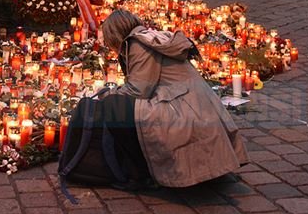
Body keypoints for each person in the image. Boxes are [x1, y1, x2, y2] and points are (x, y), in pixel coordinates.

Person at [100, 10, 248, 188]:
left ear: (114, 34)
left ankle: (141, 174)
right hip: (196, 105)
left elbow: (139, 90)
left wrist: (108, 94)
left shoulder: (138, 44)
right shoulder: (151, 36)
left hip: (180, 109)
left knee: (114, 108)